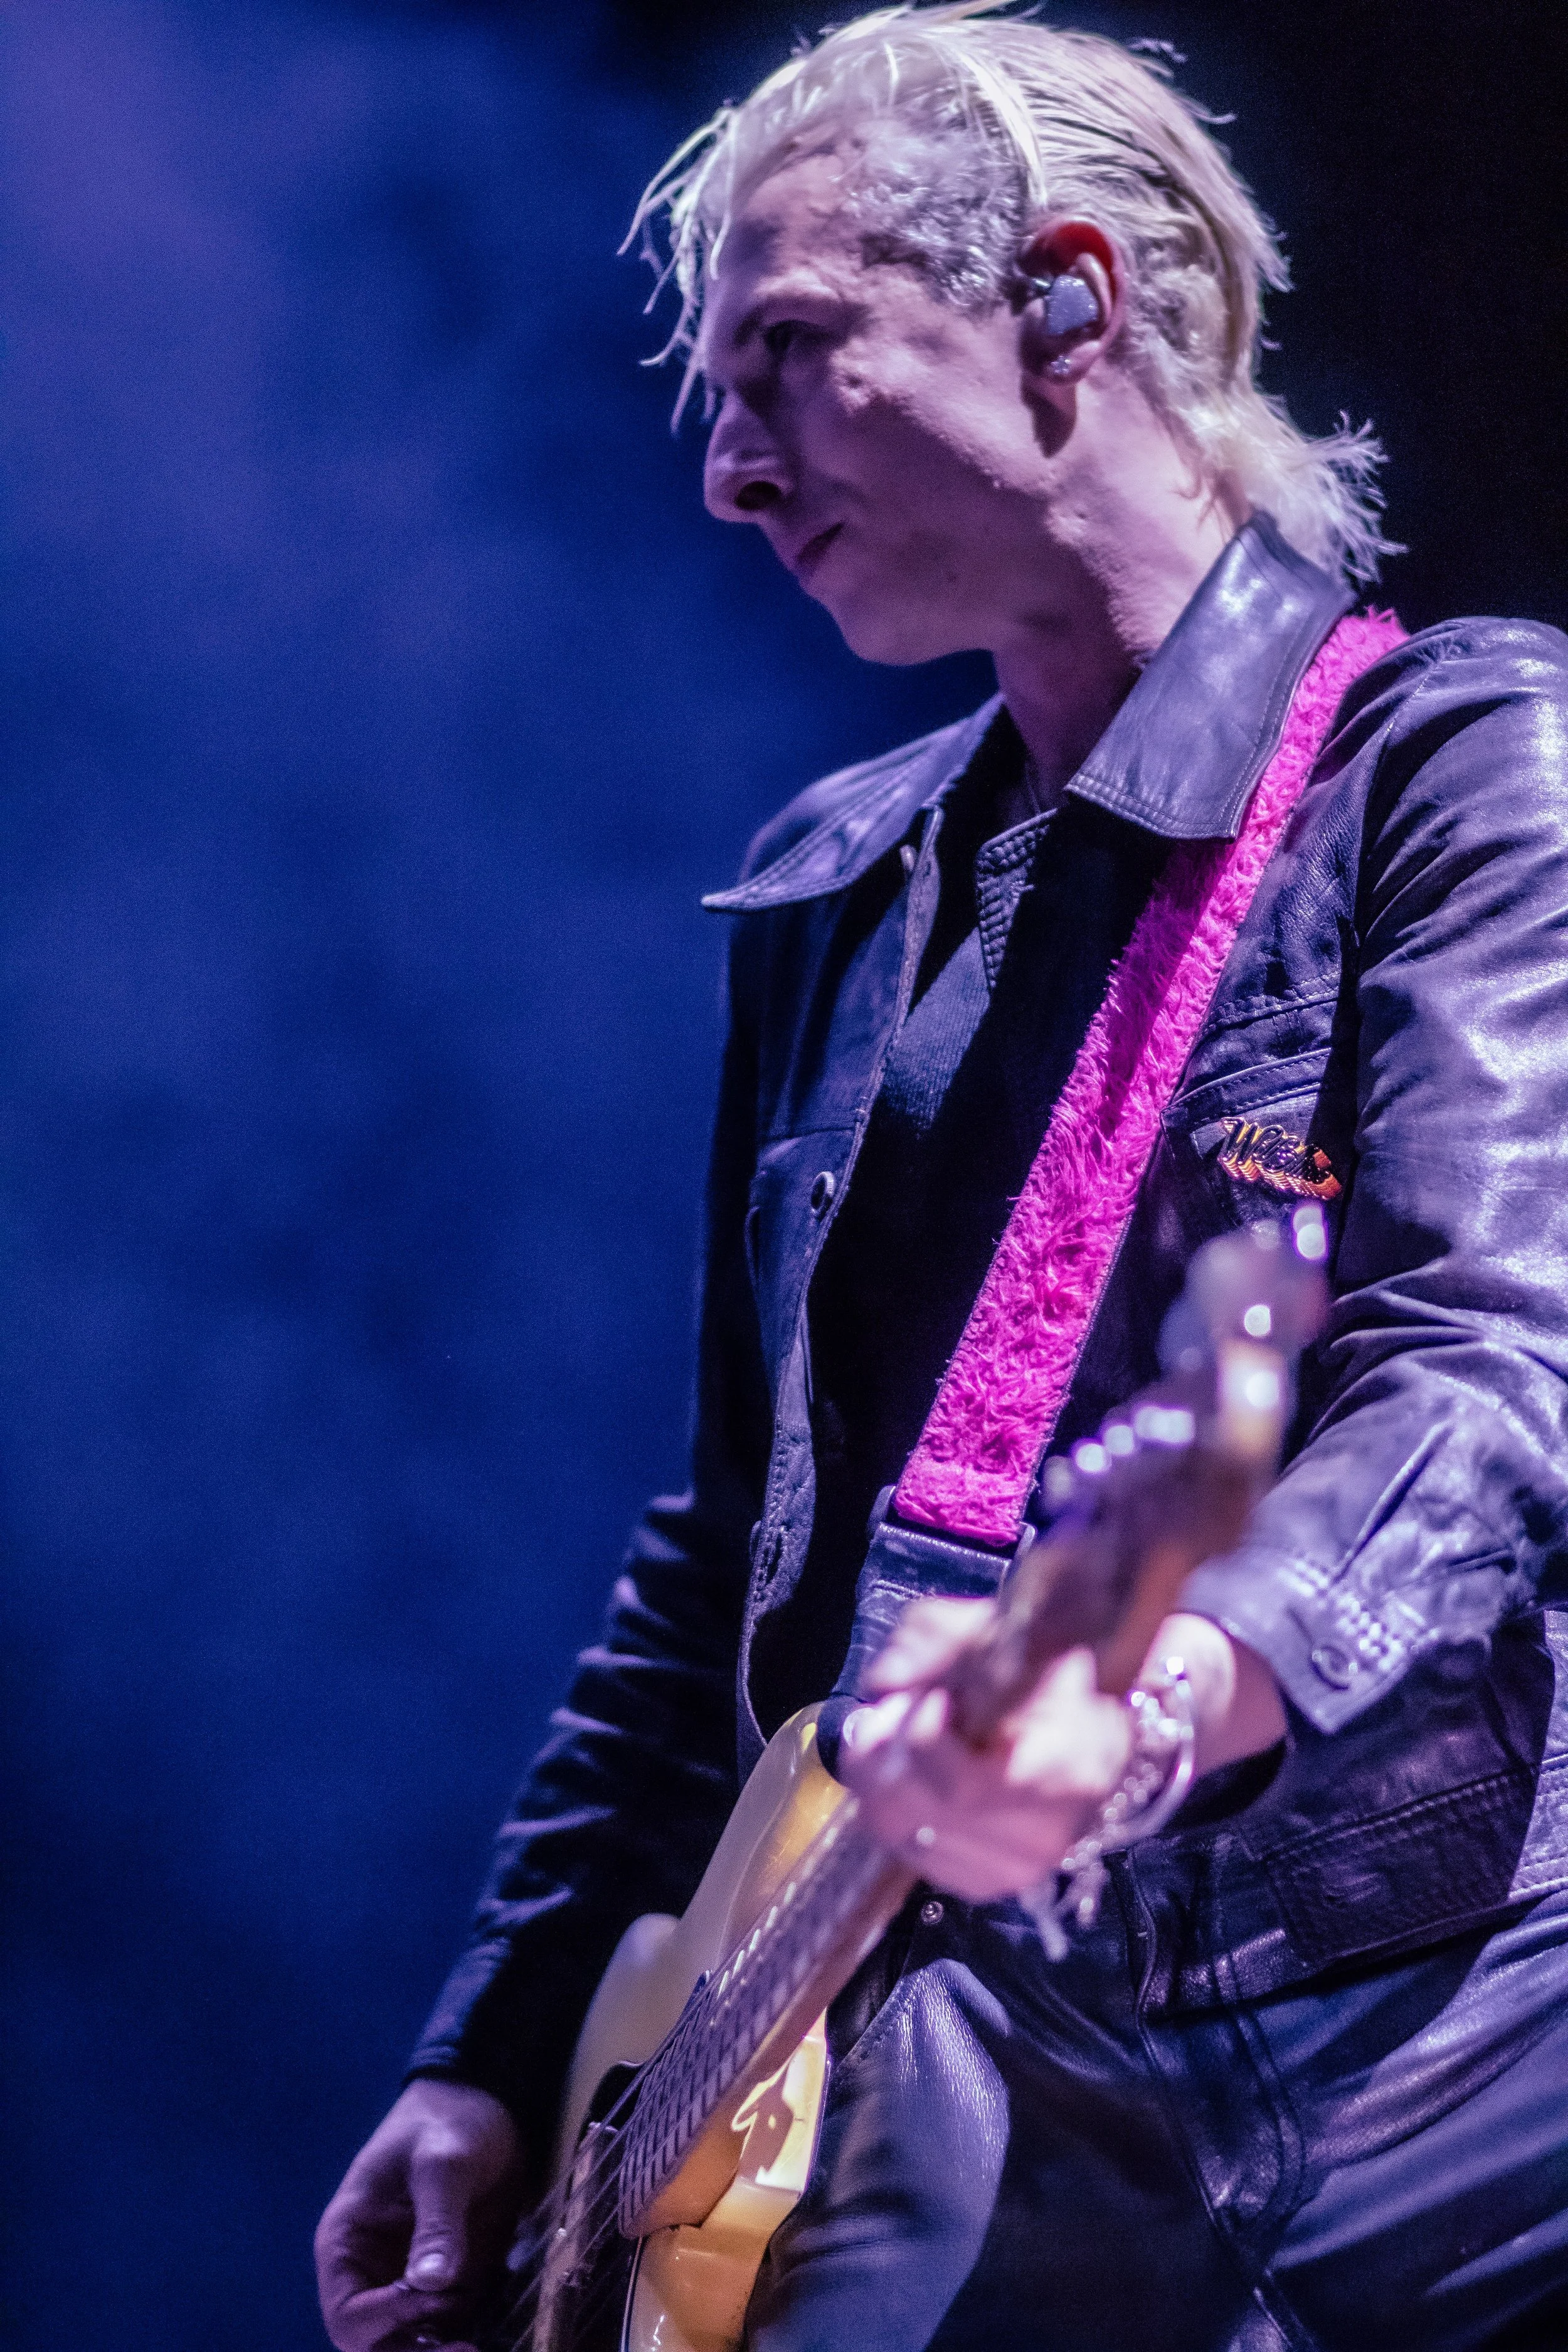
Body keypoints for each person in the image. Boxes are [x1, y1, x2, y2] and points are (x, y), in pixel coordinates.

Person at [315, 8, 1568, 2348]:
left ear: (1068, 303)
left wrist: (1167, 1681)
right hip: (910, 2010)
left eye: (788, 356)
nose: (724, 469)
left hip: (1407, 2033)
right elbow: (727, 1545)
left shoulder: (1463, 765)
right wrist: (496, 2045)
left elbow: (1491, 1378)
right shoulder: (840, 887)